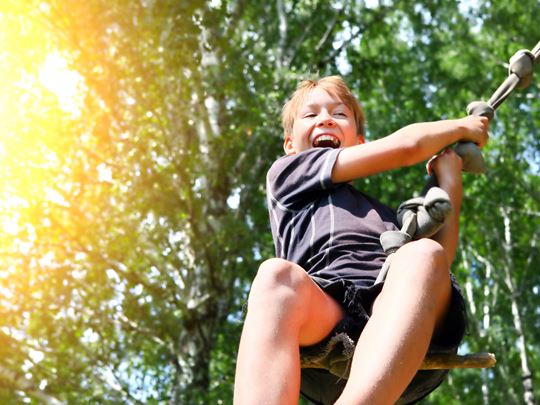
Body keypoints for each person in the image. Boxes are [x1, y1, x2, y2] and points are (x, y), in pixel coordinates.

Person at [234, 76, 489, 405]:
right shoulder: (288, 176)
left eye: (339, 114)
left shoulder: (386, 218)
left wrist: (450, 176)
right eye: (310, 115)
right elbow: (408, 148)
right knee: (275, 277)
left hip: (397, 335)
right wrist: (459, 127)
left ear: (359, 141)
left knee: (424, 253)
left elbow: (437, 266)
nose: (325, 118)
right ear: (290, 146)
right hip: (327, 321)